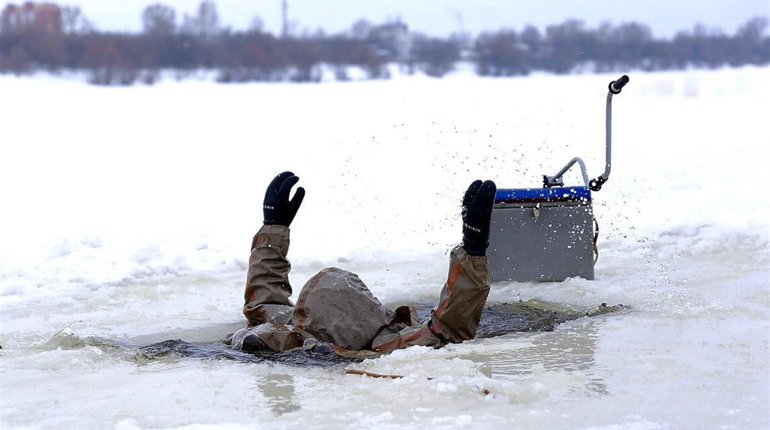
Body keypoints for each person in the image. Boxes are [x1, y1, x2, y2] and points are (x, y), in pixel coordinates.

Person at [225, 171, 497, 356]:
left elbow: (263, 303)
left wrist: (273, 227)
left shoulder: (292, 332)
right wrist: (472, 250)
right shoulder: (388, 344)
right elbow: (447, 331)